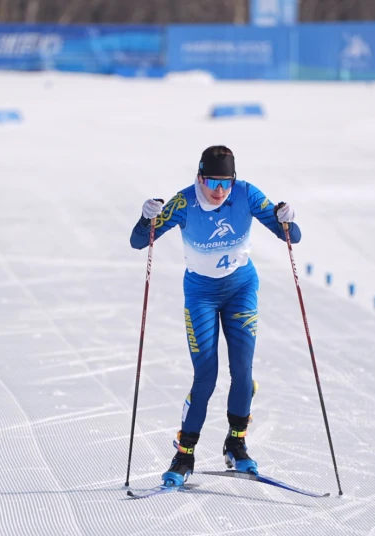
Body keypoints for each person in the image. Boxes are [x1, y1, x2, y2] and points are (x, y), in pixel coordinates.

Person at [129, 145, 301, 487]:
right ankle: (184, 453)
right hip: (201, 295)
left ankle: (236, 442)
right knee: (205, 375)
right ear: (199, 177)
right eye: (212, 182)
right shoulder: (182, 203)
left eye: (226, 182)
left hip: (241, 290)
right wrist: (146, 218)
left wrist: (288, 219)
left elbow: (291, 237)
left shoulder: (247, 194)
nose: (220, 191)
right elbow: (138, 242)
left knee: (242, 371)